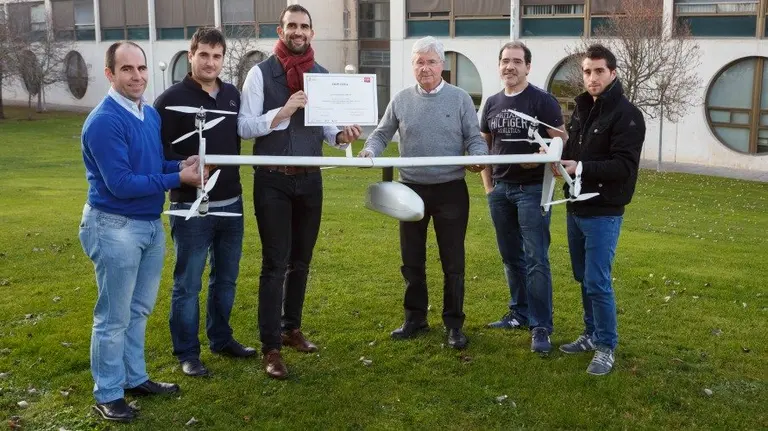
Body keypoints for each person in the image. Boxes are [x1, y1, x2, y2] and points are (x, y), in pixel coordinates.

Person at [79, 41, 202, 422]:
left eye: (142, 68)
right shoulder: (103, 121)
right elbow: (120, 182)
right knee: (112, 317)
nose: (137, 76)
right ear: (110, 74)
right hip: (114, 225)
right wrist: (175, 177)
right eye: (127, 69)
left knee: (138, 309)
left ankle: (134, 378)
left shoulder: (146, 113)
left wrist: (180, 162)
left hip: (148, 224)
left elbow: (149, 162)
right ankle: (108, 392)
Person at [237, 4, 361, 379]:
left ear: (311, 32)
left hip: (310, 179)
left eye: (304, 26)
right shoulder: (260, 74)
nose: (298, 31)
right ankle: (271, 347)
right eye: (292, 25)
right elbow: (244, 127)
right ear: (280, 30)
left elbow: (326, 130)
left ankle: (291, 329)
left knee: (301, 262)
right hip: (272, 177)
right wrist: (284, 111)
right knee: (275, 263)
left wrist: (342, 136)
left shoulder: (320, 75)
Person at [360, 36, 488, 350]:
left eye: (431, 62)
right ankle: (415, 319)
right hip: (410, 190)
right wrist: (369, 151)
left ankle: (454, 325)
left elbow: (475, 138)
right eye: (419, 62)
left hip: (450, 190)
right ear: (413, 65)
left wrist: (477, 157)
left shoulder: (459, 99)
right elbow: (381, 133)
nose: (425, 68)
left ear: (442, 65)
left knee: (453, 261)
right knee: (412, 260)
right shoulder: (401, 99)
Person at [154, 28, 256, 378]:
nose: (210, 62)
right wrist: (184, 165)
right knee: (188, 283)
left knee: (226, 279)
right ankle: (187, 352)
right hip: (189, 206)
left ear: (223, 59)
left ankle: (221, 338)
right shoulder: (169, 99)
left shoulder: (232, 96)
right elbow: (157, 150)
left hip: (231, 202)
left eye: (217, 56)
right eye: (204, 55)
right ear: (191, 54)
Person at [557, 44, 645, 375]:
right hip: (574, 206)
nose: (591, 77)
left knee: (597, 279)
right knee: (584, 277)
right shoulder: (582, 109)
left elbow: (623, 166)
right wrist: (555, 154)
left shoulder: (627, 115)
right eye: (586, 71)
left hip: (604, 211)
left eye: (598, 71)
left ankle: (606, 345)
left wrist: (580, 167)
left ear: (613, 73)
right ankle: (591, 334)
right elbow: (573, 149)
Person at [480, 41, 567, 354]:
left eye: (517, 61)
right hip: (500, 191)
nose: (510, 67)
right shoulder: (491, 103)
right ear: (499, 65)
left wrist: (545, 155)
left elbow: (560, 140)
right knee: (510, 257)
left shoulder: (542, 101)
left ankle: (541, 325)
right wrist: (489, 188)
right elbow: (484, 147)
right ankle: (519, 313)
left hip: (532, 191)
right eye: (505, 61)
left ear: (528, 66)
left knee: (536, 259)